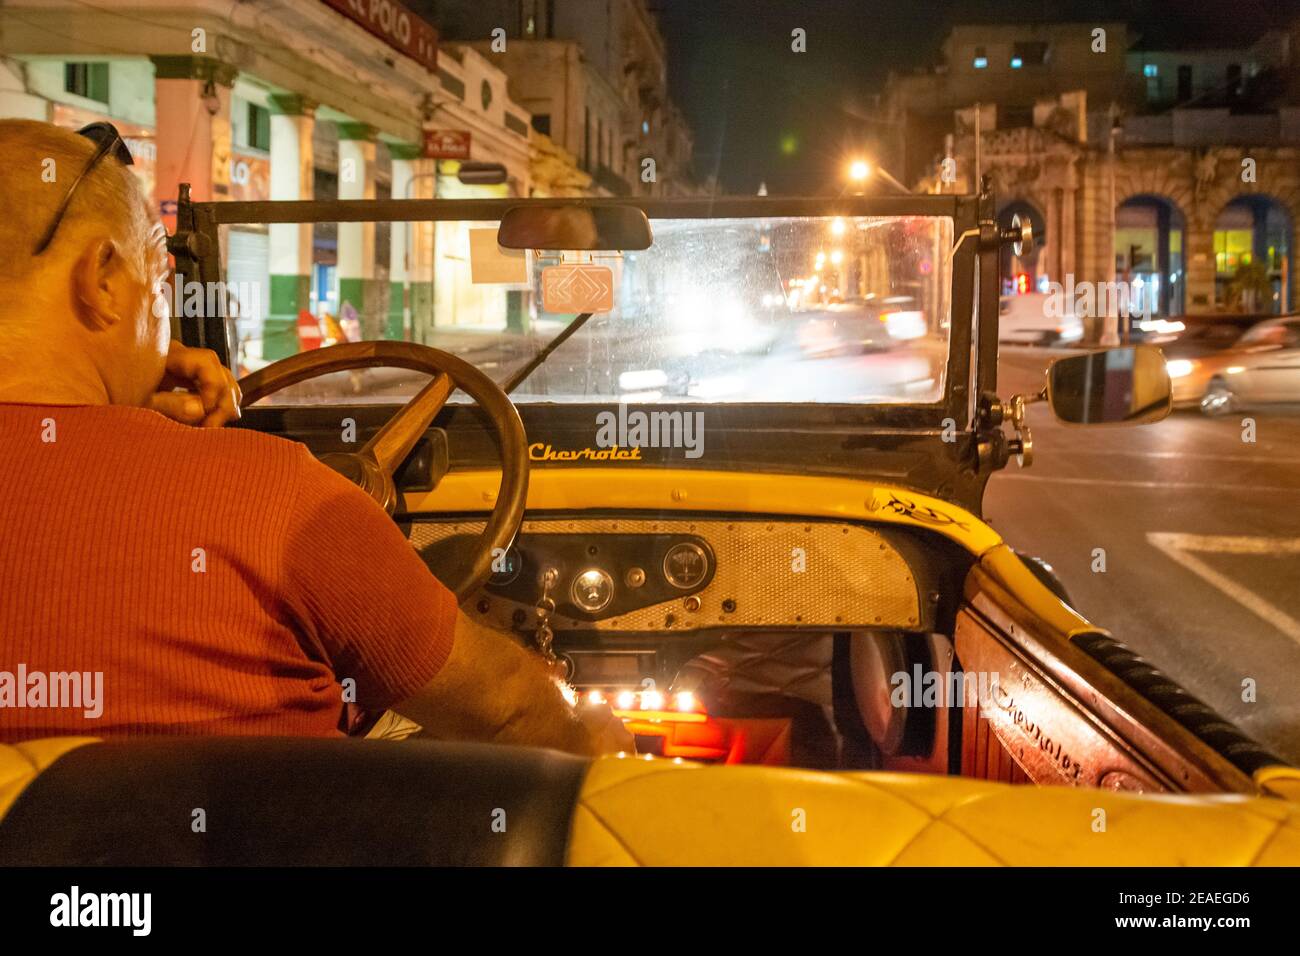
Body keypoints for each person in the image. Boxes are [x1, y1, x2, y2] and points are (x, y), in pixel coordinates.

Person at [0, 119, 631, 754]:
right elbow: (510, 715)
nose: (168, 323)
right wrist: (589, 728)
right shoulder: (273, 500)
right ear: (102, 281)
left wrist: (122, 398)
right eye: (159, 282)